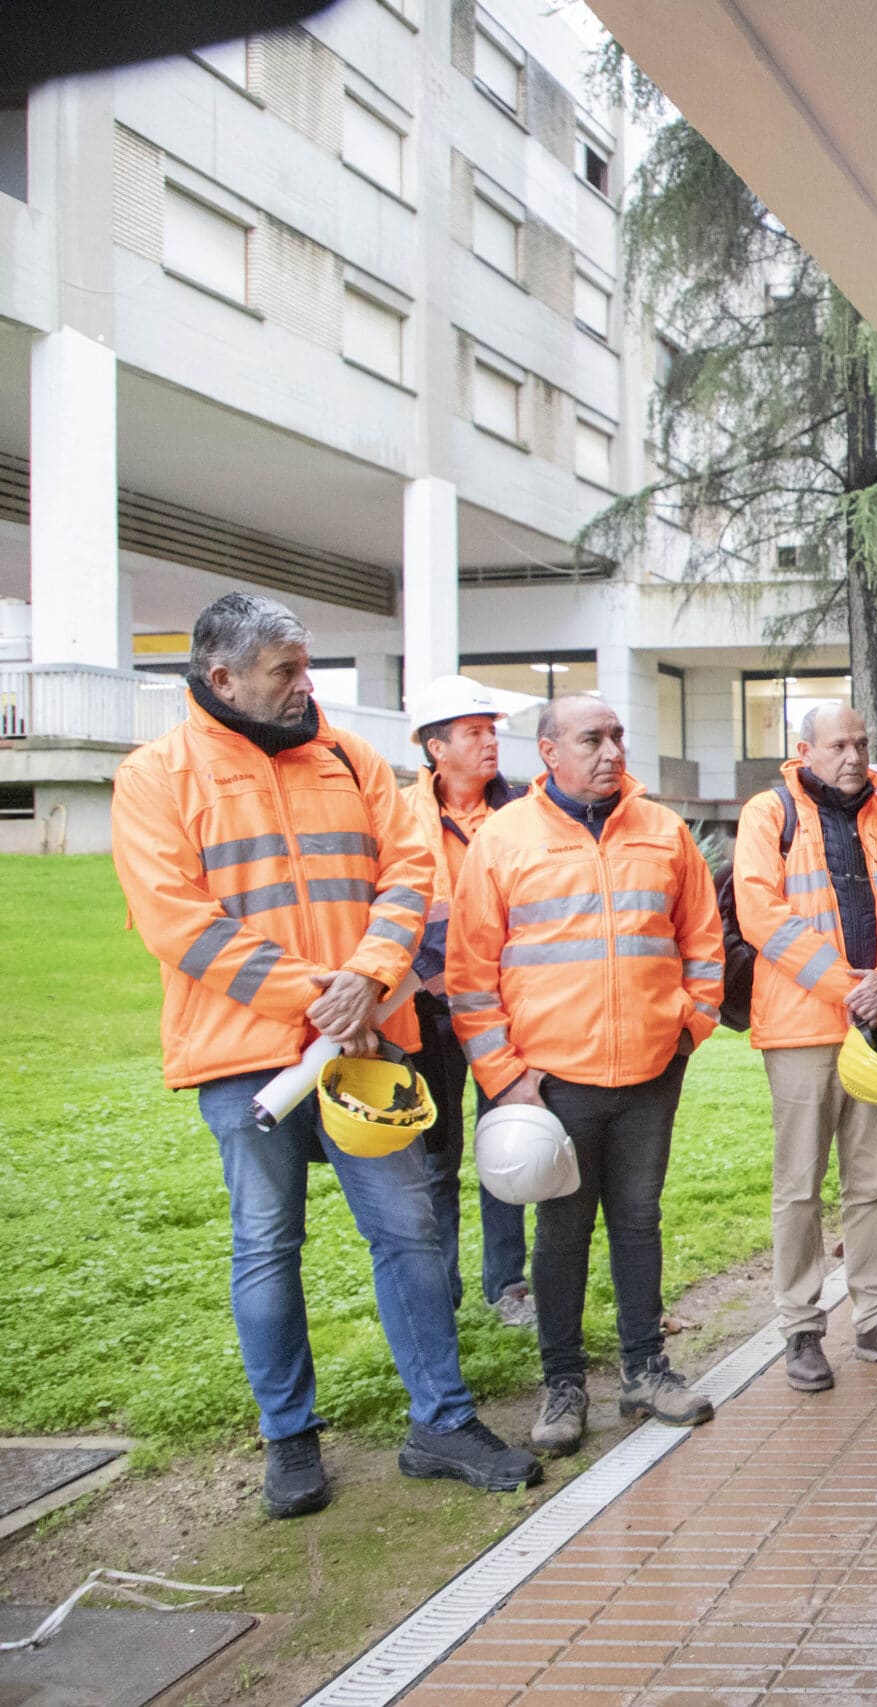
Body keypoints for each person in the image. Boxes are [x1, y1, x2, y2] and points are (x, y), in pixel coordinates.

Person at [110, 593, 538, 1518]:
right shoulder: (156, 774)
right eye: (287, 673)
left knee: (410, 1229)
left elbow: (408, 872)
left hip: (367, 1042)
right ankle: (288, 1439)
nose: (308, 687)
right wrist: (322, 994)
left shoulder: (348, 758)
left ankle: (442, 1423)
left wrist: (371, 975)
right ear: (221, 679)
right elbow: (175, 921)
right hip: (247, 1058)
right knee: (267, 1241)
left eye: (308, 667)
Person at [446, 692, 726, 1455]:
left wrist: (688, 1029)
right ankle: (563, 1383)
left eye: (617, 736)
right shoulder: (503, 840)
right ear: (549, 751)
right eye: (591, 738)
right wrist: (507, 1075)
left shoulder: (664, 832)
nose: (611, 751)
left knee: (639, 1222)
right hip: (552, 1082)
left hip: (649, 1071)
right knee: (561, 1232)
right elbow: (470, 975)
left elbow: (704, 942)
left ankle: (645, 1369)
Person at [730, 702, 877, 1391]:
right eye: (837, 745)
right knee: (799, 1185)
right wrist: (842, 984)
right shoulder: (769, 814)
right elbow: (759, 912)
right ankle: (800, 1327)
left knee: (873, 1177)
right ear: (805, 749)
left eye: (861, 742)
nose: (852, 756)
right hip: (803, 1027)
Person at [400, 674, 532, 1326]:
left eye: (491, 730)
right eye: (473, 732)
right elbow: (391, 906)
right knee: (436, 1154)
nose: (489, 743)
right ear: (435, 748)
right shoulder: (400, 816)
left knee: (505, 1141)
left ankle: (509, 1285)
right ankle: (441, 1290)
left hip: (503, 1010)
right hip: (426, 1009)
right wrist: (429, 976)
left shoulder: (526, 811)